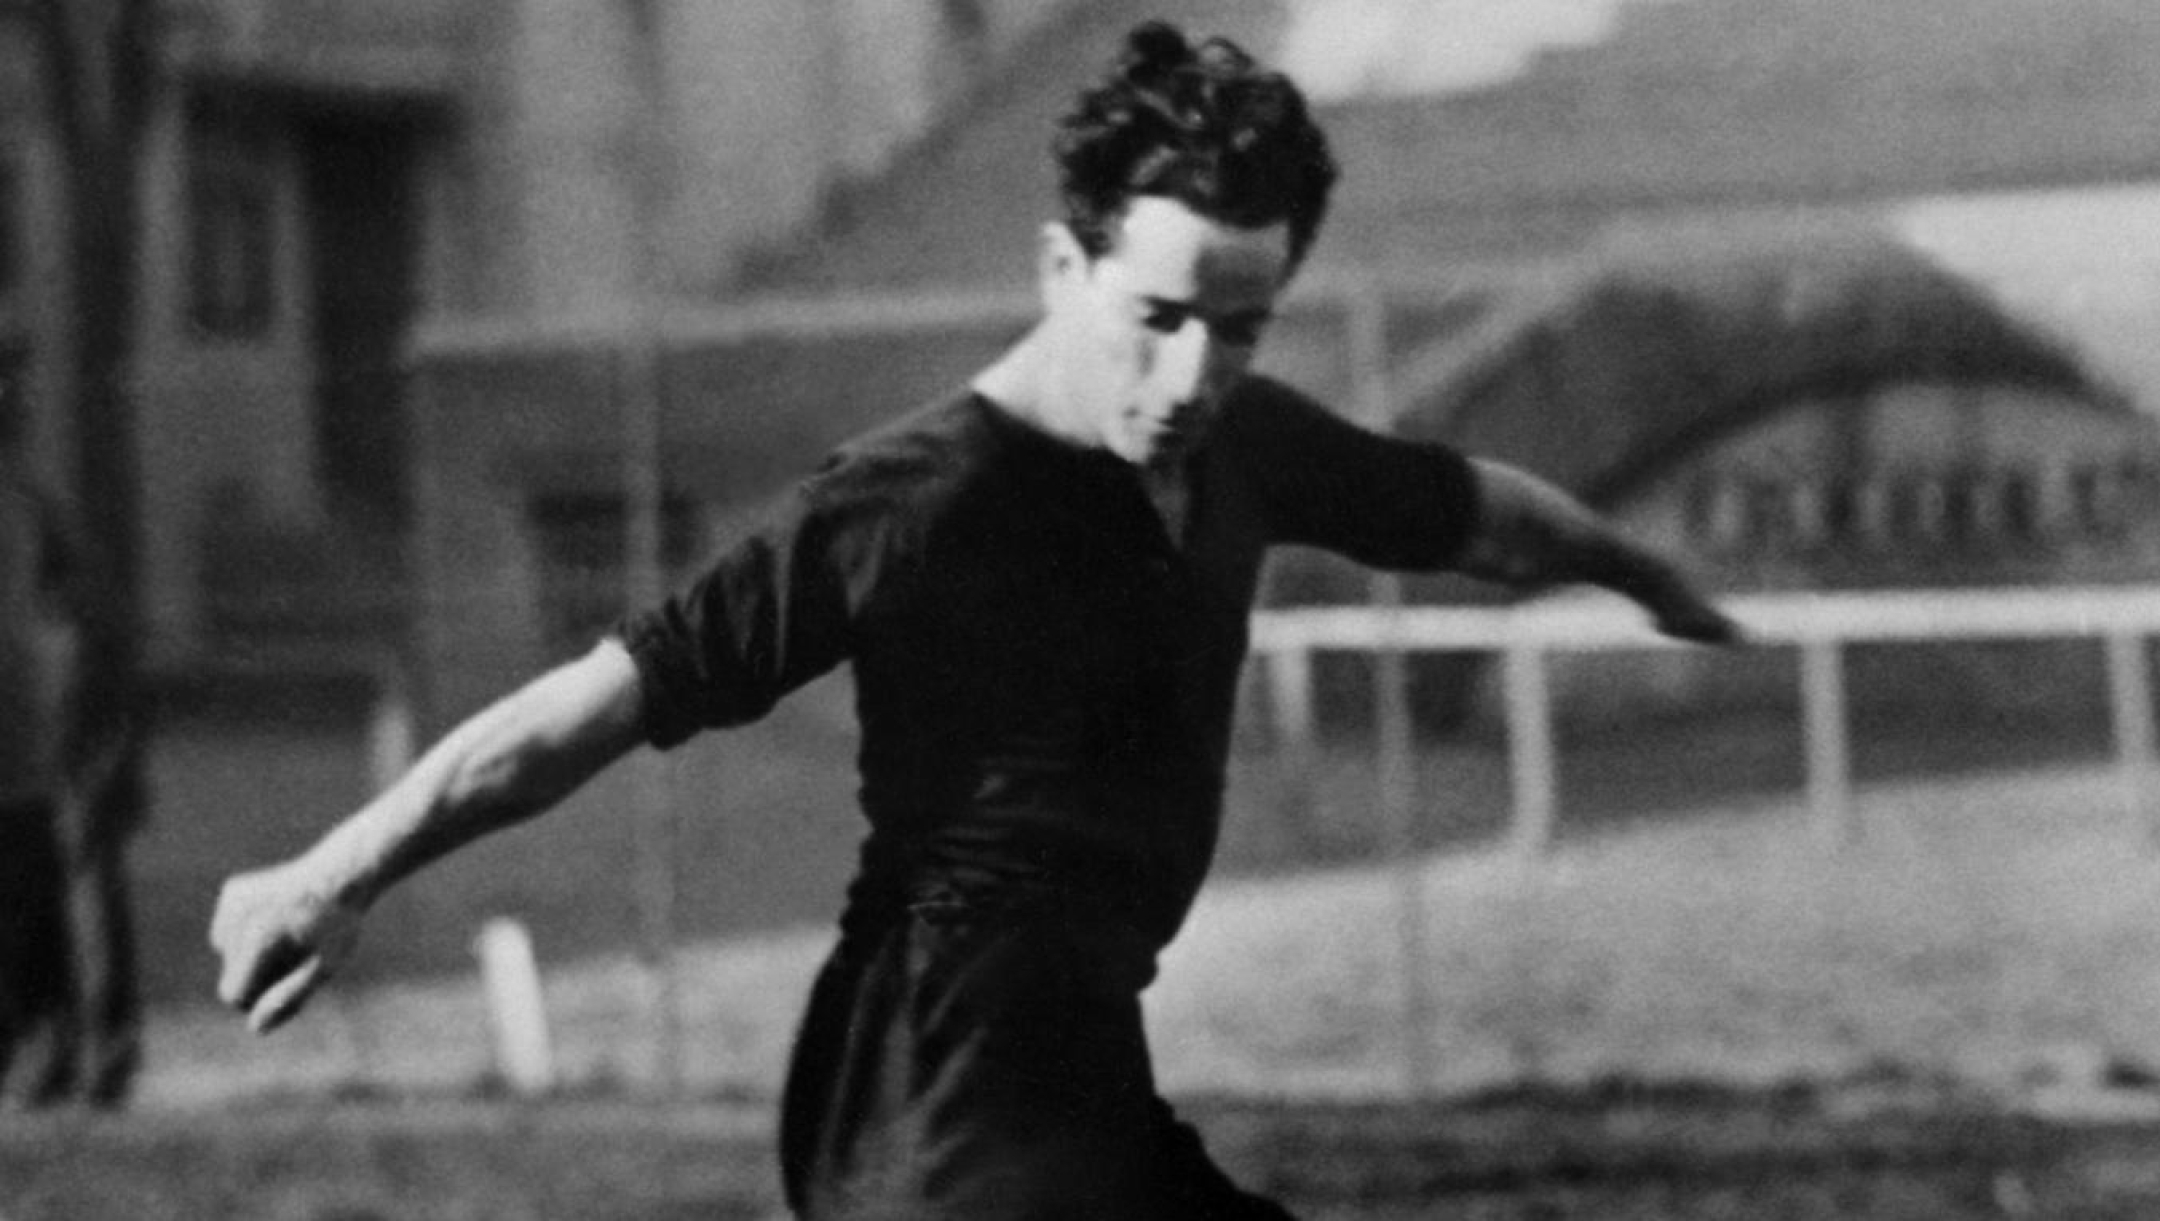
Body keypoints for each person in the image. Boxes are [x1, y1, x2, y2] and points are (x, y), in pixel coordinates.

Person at [211, 20, 1739, 1219]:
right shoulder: (912, 502)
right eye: (1159, 318)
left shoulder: (1249, 445)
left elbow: (1471, 508)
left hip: (1081, 1086)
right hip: (930, 1095)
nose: (1196, 373)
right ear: (1063, 266)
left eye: (1243, 325)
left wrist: (1652, 579)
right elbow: (592, 707)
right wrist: (336, 866)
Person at [0, 408, 143, 1109]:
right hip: (33, 742)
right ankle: (59, 1046)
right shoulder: (30, 498)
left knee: (58, 892)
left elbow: (91, 608)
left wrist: (101, 724)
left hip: (39, 744)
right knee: (42, 897)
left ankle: (83, 1046)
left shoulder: (29, 499)